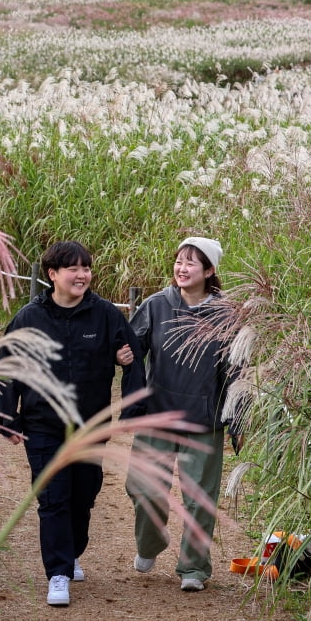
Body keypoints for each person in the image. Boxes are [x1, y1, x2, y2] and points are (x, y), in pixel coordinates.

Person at [0, 241, 145, 607]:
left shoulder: (106, 315)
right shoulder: (29, 318)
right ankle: (58, 573)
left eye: (87, 268)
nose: (82, 275)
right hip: (42, 424)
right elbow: (7, 368)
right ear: (52, 275)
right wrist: (8, 418)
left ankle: (73, 551)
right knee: (53, 497)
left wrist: (129, 407)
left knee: (84, 494)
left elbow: (133, 359)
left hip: (90, 424)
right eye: (73, 269)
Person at [125, 236, 235, 592]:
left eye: (191, 263)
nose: (182, 268)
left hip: (204, 417)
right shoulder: (157, 305)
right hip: (158, 414)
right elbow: (130, 350)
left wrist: (239, 419)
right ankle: (151, 543)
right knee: (142, 486)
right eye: (179, 261)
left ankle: (194, 568)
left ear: (209, 271)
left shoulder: (227, 313)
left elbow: (238, 370)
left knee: (199, 497)